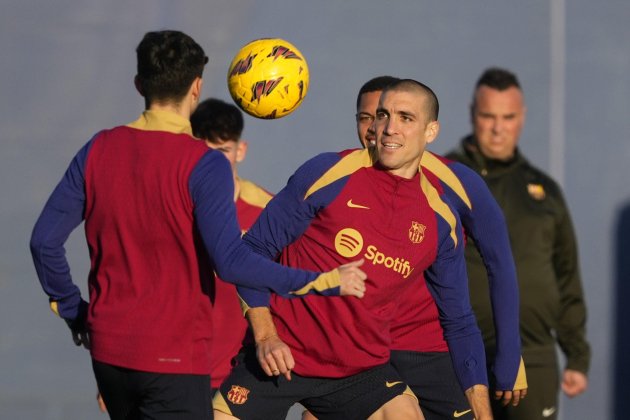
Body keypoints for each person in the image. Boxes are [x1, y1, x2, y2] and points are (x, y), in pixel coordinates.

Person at [29, 30, 366, 420]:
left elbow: (43, 242)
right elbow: (232, 262)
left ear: (139, 84)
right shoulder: (205, 164)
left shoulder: (98, 148)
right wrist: (322, 280)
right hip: (174, 357)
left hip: (108, 354)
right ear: (197, 86)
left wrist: (74, 310)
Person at [213, 79, 493, 420]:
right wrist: (265, 336)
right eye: (383, 115)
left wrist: (483, 414)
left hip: (359, 373)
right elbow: (251, 251)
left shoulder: (440, 221)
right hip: (282, 355)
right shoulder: (329, 172)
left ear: (431, 130)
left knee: (405, 415)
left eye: (406, 118)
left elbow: (460, 322)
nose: (390, 129)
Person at [348, 76, 527, 420]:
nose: (378, 128)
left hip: (431, 351)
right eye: (367, 117)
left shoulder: (455, 182)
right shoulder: (336, 178)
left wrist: (509, 354)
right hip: (362, 353)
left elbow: (500, 264)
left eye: (392, 117)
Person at [446, 67, 590, 420]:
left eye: (508, 117)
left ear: (521, 117)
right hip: (458, 355)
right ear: (471, 114)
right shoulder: (443, 180)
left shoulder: (545, 192)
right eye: (488, 116)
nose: (498, 128)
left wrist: (576, 354)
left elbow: (566, 274)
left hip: (533, 356)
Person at [190, 97, 274, 392]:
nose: (214, 163)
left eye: (223, 151)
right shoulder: (176, 208)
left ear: (241, 150)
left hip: (244, 372)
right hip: (179, 371)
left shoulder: (269, 210)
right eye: (206, 153)